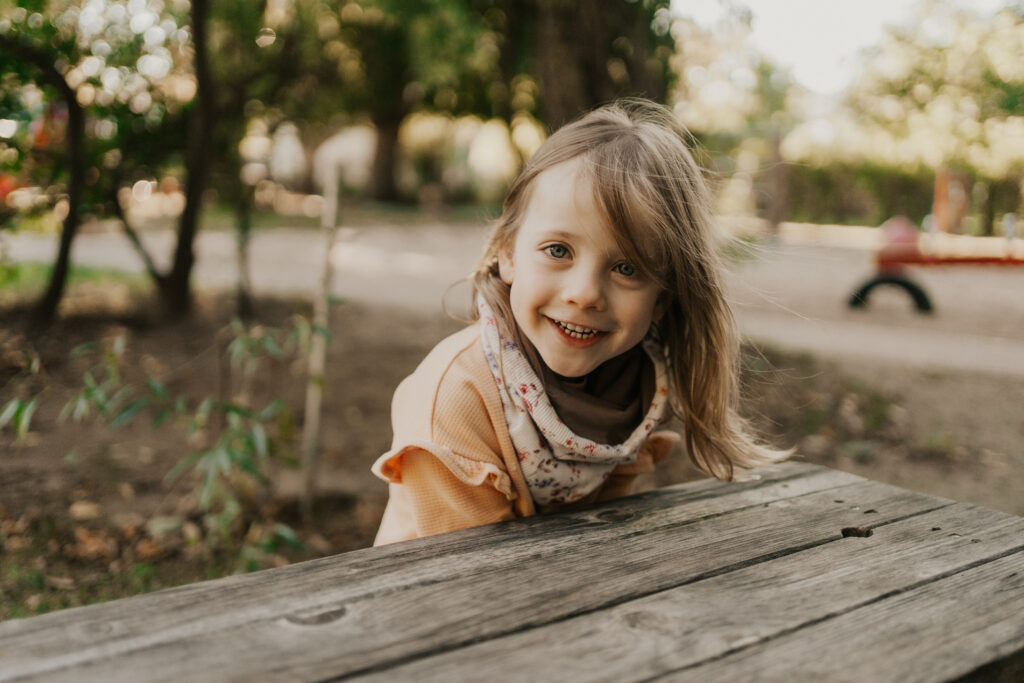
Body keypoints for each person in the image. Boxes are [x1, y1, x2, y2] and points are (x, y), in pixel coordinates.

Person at [371, 99, 788, 545]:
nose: (585, 293)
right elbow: (476, 573)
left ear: (662, 298)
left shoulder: (638, 383)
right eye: (558, 251)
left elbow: (604, 531)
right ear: (508, 253)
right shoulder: (458, 399)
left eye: (627, 268)